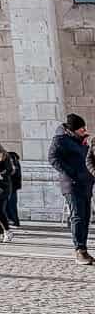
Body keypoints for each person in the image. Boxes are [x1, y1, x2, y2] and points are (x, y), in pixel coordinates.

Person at [47, 113, 93, 265]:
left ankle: (84, 249)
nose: (84, 130)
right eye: (81, 128)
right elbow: (53, 158)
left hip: (86, 184)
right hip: (72, 185)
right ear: (73, 129)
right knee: (78, 216)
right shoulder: (60, 140)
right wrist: (71, 173)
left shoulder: (82, 141)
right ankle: (79, 250)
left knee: (86, 217)